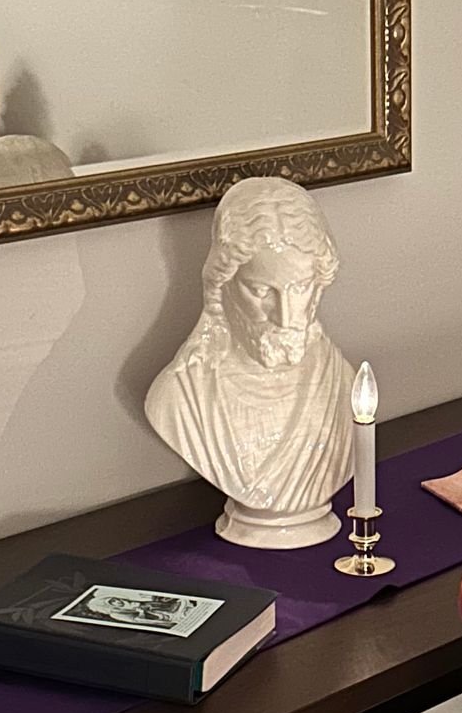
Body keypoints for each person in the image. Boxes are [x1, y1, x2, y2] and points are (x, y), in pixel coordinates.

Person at [145, 177, 356, 549]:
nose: (286, 316)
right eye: (260, 290)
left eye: (300, 287)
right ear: (223, 284)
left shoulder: (340, 383)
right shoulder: (181, 397)